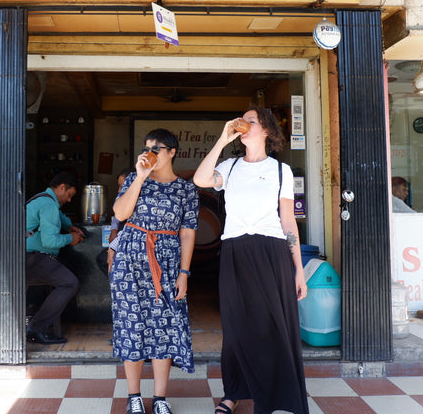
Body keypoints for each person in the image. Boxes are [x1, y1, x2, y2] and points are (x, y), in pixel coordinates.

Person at [193, 107, 309, 414]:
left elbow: (288, 220)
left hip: (272, 252)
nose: (245, 124)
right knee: (235, 325)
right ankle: (233, 393)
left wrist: (298, 269)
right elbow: (200, 179)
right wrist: (221, 139)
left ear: (267, 130)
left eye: (252, 120)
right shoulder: (229, 167)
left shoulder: (281, 171)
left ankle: (272, 398)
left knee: (271, 325)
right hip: (234, 251)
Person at [109, 128, 200, 414]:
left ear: (173, 152)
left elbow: (187, 233)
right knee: (130, 323)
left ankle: (160, 398)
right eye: (147, 147)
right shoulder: (135, 180)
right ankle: (133, 396)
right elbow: (121, 214)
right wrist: (140, 177)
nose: (150, 152)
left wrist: (184, 272)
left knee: (164, 326)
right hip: (131, 260)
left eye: (157, 148)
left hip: (168, 261)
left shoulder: (186, 189)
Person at [26, 172, 85, 344]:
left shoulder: (42, 199)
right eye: (69, 195)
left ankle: (40, 326)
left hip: (23, 258)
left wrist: (70, 226)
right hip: (32, 259)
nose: (69, 200)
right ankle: (37, 328)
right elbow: (50, 241)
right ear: (61, 187)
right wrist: (70, 238)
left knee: (67, 275)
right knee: (69, 283)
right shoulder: (49, 205)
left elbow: (59, 216)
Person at [96, 167, 135, 276]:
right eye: (119, 186)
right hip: (121, 238)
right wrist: (113, 231)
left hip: (133, 243)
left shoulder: (140, 202)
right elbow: (116, 217)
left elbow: (130, 227)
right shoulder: (120, 198)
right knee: (104, 259)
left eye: (122, 187)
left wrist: (114, 245)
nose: (118, 190)